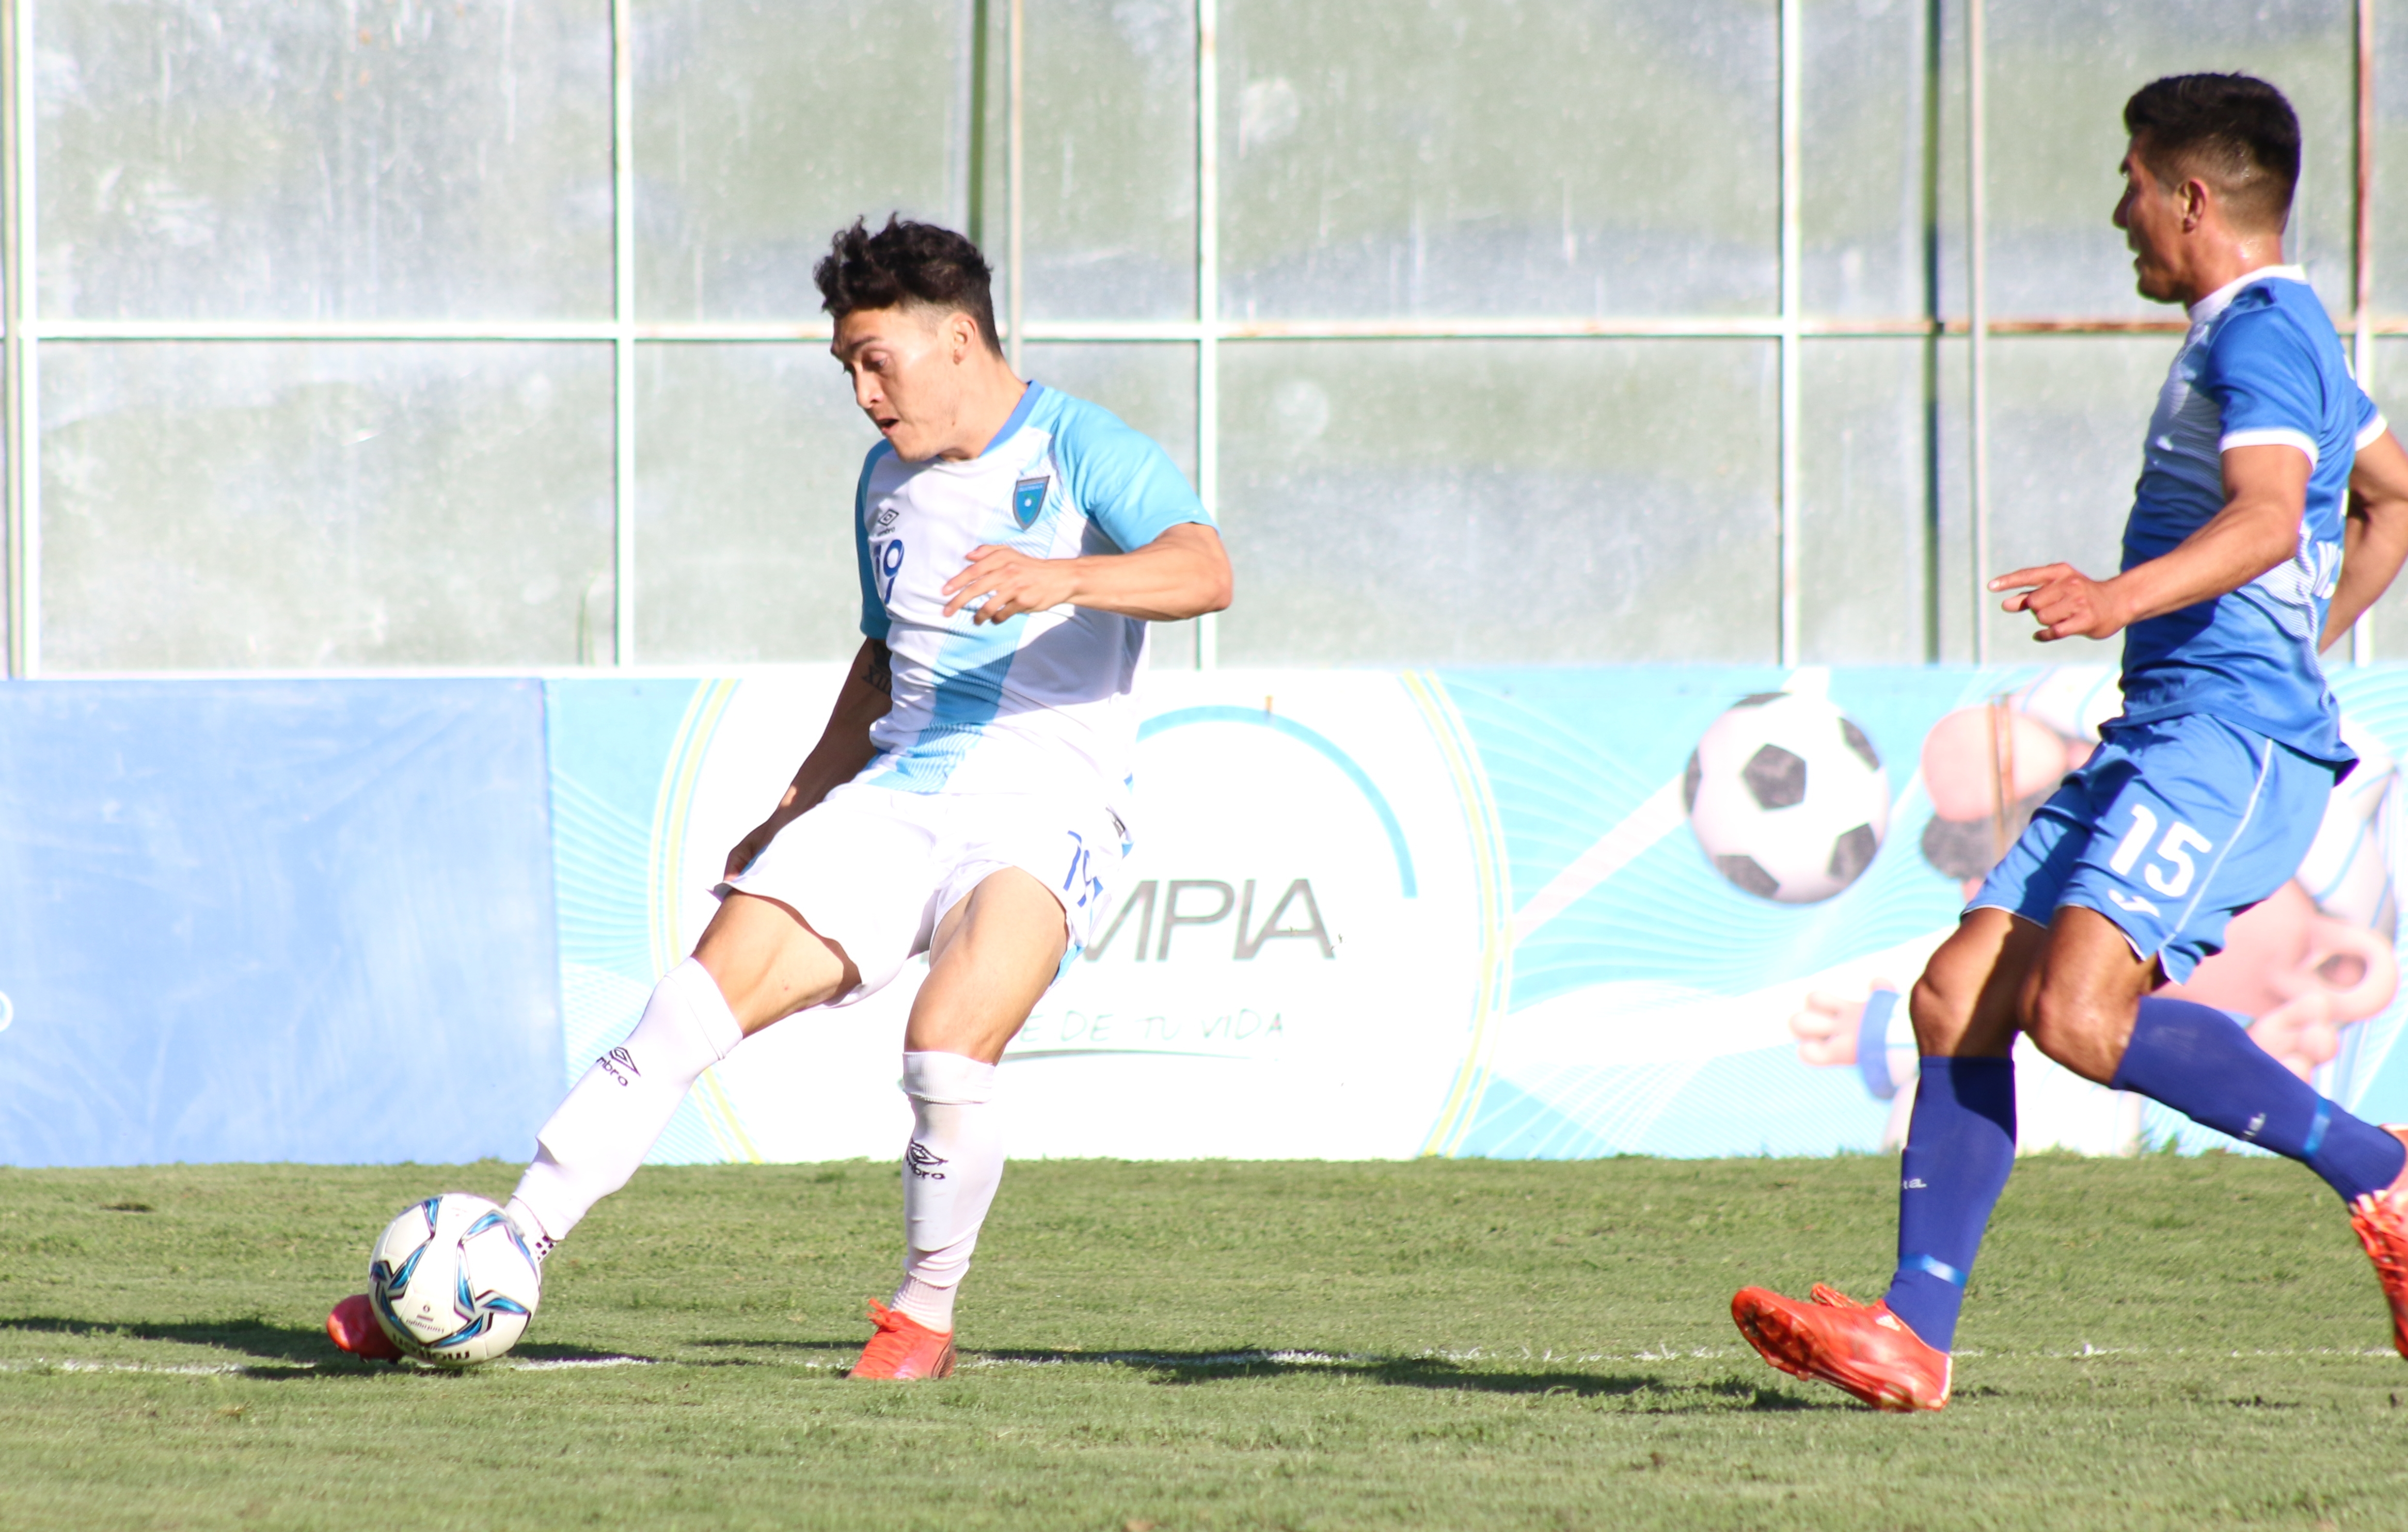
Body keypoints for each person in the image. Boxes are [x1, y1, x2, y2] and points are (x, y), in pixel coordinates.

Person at [323, 215, 1233, 1379]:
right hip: (900, 792)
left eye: (876, 361)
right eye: (847, 367)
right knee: (681, 1012)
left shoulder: (1083, 445)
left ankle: (922, 1316)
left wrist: (1061, 576)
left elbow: (1206, 569)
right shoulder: (884, 483)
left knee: (945, 1050)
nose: (862, 393)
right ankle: (496, 1254)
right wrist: (799, 800)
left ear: (957, 339)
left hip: (1045, 799)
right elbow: (881, 661)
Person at [1731, 73, 2408, 1411]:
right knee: (1955, 999)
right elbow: (2389, 497)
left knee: (2079, 1019)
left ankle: (2381, 1169)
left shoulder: (2262, 335)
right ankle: (1912, 1335)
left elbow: (2269, 513)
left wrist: (2118, 602)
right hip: (2167, 726)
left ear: (2192, 198)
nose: (2119, 214)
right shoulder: (2275, 335)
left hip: (2223, 743)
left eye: (2132, 184)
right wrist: (2301, 635)